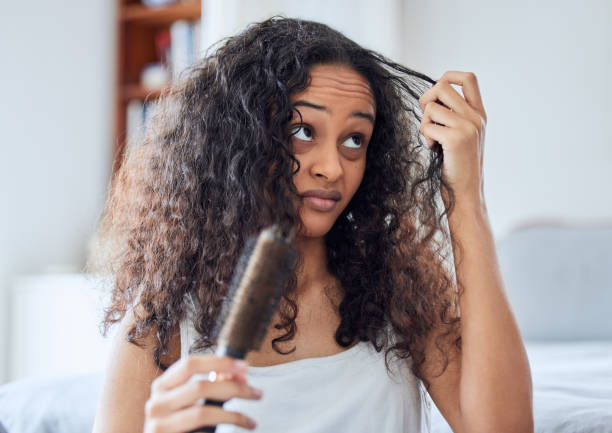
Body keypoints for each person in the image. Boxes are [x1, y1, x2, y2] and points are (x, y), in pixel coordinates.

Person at [90, 16, 533, 433]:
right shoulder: (162, 321)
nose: (332, 168)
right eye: (303, 131)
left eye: (354, 140)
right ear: (241, 139)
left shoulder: (400, 287)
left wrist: (466, 197)